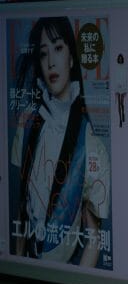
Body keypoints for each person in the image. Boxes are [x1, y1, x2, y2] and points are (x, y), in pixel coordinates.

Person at [10, 16, 110, 267]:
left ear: (71, 57)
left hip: (65, 276)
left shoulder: (89, 143)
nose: (51, 62)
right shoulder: (28, 126)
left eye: (58, 48)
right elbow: (22, 214)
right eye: (44, 54)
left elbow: (94, 238)